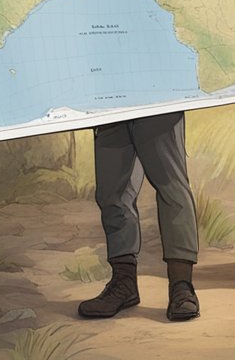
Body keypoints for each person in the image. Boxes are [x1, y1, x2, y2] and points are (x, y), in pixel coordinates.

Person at [78, 113, 201, 321]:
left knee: (172, 187)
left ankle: (182, 286)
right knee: (112, 193)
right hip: (108, 105)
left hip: (158, 99)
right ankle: (123, 283)